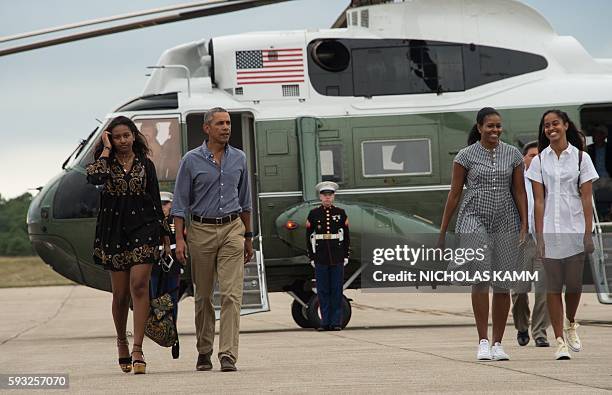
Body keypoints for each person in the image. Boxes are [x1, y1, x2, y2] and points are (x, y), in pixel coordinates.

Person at [438, 107, 528, 361]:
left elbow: (520, 192)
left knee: (502, 282)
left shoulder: (513, 155)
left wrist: (524, 224)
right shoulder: (465, 156)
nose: (495, 130)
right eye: (490, 126)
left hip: (505, 218)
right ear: (479, 128)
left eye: (498, 126)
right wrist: (444, 230)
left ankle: (498, 343)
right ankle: (483, 341)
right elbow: (454, 193)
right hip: (473, 216)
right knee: (481, 273)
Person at [86, 116, 171, 374]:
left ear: (134, 136)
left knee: (139, 285)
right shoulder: (105, 163)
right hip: (114, 232)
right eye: (117, 136)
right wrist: (106, 149)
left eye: (127, 135)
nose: (123, 140)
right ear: (110, 138)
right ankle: (121, 341)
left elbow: (156, 200)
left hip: (143, 228)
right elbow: (93, 178)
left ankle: (137, 348)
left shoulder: (146, 164)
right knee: (121, 294)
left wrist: (165, 235)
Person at [172, 107, 253, 372]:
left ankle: (228, 354)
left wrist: (248, 237)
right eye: (220, 123)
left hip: (232, 229)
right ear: (207, 128)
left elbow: (245, 202)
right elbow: (180, 204)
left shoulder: (239, 158)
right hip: (201, 232)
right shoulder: (191, 160)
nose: (226, 127)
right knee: (203, 296)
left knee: (231, 295)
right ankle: (204, 350)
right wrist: (180, 240)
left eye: (228, 123)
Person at [526, 109, 598, 360]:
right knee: (553, 287)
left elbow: (587, 198)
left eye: (555, 123)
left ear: (566, 125)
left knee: (575, 285)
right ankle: (559, 341)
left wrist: (588, 233)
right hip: (550, 231)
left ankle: (570, 322)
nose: (550, 128)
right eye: (546, 125)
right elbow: (538, 200)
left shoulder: (581, 158)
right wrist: (539, 236)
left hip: (575, 229)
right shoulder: (539, 161)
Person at [512, 141, 550, 348]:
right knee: (519, 290)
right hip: (521, 242)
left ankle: (540, 332)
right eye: (532, 155)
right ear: (524, 158)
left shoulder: (546, 182)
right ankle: (521, 326)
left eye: (539, 156)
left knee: (543, 288)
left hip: (543, 241)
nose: (535, 159)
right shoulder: (516, 182)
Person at [305, 181, 350, 331]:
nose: (327, 198)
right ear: (320, 197)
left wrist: (345, 255)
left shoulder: (341, 213)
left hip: (336, 256)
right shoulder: (314, 214)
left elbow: (346, 236)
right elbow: (309, 237)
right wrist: (312, 257)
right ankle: (325, 322)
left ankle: (336, 322)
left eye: (330, 195)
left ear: (334, 196)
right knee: (323, 291)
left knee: (336, 290)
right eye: (325, 195)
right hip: (321, 257)